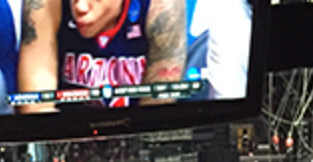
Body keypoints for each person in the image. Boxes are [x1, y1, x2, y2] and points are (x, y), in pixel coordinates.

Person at [16, 0, 188, 109]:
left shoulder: (163, 6)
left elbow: (156, 114)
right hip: (65, 133)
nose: (80, 7)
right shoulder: (44, 4)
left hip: (135, 130)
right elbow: (36, 107)